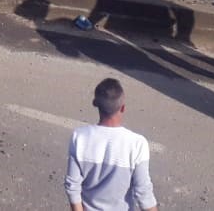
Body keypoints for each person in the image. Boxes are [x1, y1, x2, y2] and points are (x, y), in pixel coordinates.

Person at [64, 78, 158, 211]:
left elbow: (72, 186)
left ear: (96, 105)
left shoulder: (79, 137)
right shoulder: (137, 144)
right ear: (123, 107)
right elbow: (143, 193)